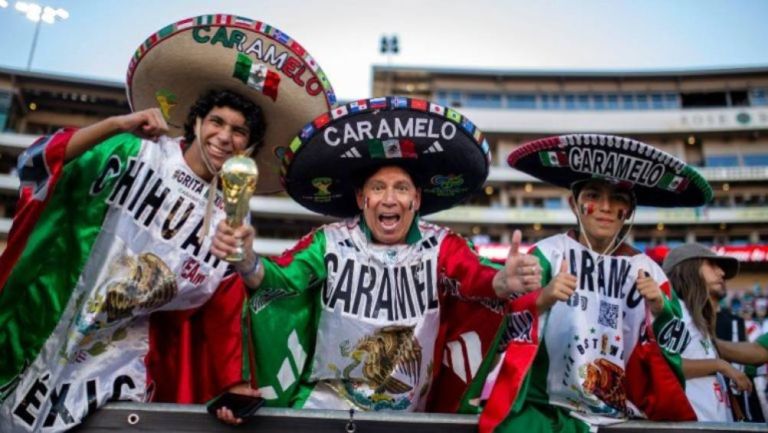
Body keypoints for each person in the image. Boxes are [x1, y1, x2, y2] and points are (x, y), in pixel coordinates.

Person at [0, 15, 334, 432]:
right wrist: (116, 124)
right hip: (45, 317)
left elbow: (219, 303)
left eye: (238, 131)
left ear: (249, 146)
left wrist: (233, 379)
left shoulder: (235, 209)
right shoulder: (138, 152)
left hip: (119, 358)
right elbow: (38, 163)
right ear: (195, 123)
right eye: (216, 122)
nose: (224, 137)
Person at [211, 97, 544, 424]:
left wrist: (502, 282)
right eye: (377, 187)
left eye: (401, 188)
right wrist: (246, 259)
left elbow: (474, 277)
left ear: (416, 199)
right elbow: (281, 281)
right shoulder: (329, 241)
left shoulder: (442, 244)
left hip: (404, 421)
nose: (389, 199)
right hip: (320, 412)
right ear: (361, 198)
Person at [479, 134, 713, 433]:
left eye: (618, 198)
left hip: (622, 420)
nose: (605, 206)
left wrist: (660, 309)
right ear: (574, 204)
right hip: (547, 413)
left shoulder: (648, 271)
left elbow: (677, 347)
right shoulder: (547, 255)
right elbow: (502, 332)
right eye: (593, 195)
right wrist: (542, 298)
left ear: (627, 211)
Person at [663, 243, 766, 422]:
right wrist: (721, 365)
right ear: (689, 269)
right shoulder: (676, 311)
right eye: (712, 265)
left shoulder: (698, 320)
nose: (722, 273)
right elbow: (664, 366)